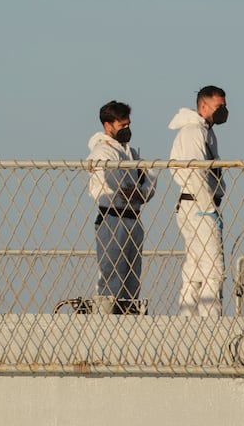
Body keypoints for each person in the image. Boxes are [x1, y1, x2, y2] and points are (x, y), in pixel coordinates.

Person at [87, 101, 156, 314]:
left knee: (132, 277)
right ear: (108, 125)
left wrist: (139, 191)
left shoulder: (131, 153)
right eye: (122, 126)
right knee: (111, 275)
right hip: (112, 217)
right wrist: (135, 190)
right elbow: (116, 185)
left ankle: (128, 321)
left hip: (133, 218)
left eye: (129, 125)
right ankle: (107, 322)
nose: (127, 129)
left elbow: (151, 179)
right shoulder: (102, 151)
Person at [168, 85, 229, 317]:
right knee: (213, 270)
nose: (223, 111)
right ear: (203, 107)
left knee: (194, 269)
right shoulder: (194, 131)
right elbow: (196, 171)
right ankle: (210, 323)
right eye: (219, 107)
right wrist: (208, 208)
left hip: (195, 204)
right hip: (199, 204)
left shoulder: (205, 131)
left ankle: (188, 320)